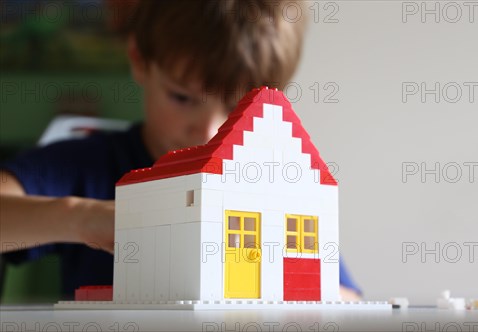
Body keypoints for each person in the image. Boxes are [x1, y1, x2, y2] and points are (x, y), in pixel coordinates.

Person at [0, 0, 362, 301]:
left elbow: (352, 300)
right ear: (140, 61)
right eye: (182, 98)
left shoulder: (275, 187)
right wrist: (81, 216)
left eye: (238, 109)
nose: (206, 130)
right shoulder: (87, 164)